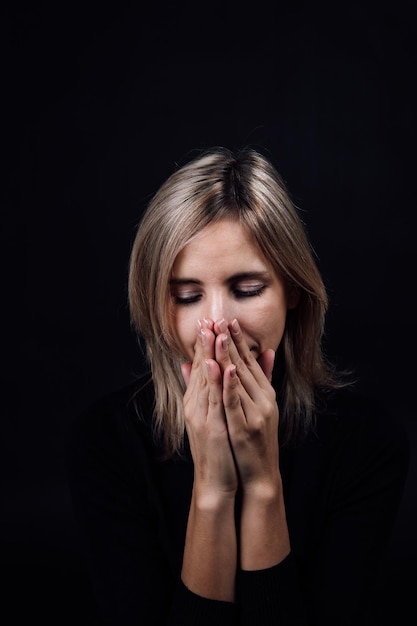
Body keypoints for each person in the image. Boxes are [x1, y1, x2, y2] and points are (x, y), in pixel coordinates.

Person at [67, 146, 409, 626]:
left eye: (247, 289)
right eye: (187, 296)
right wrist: (213, 487)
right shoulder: (104, 444)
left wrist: (263, 484)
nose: (217, 325)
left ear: (292, 288)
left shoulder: (369, 445)